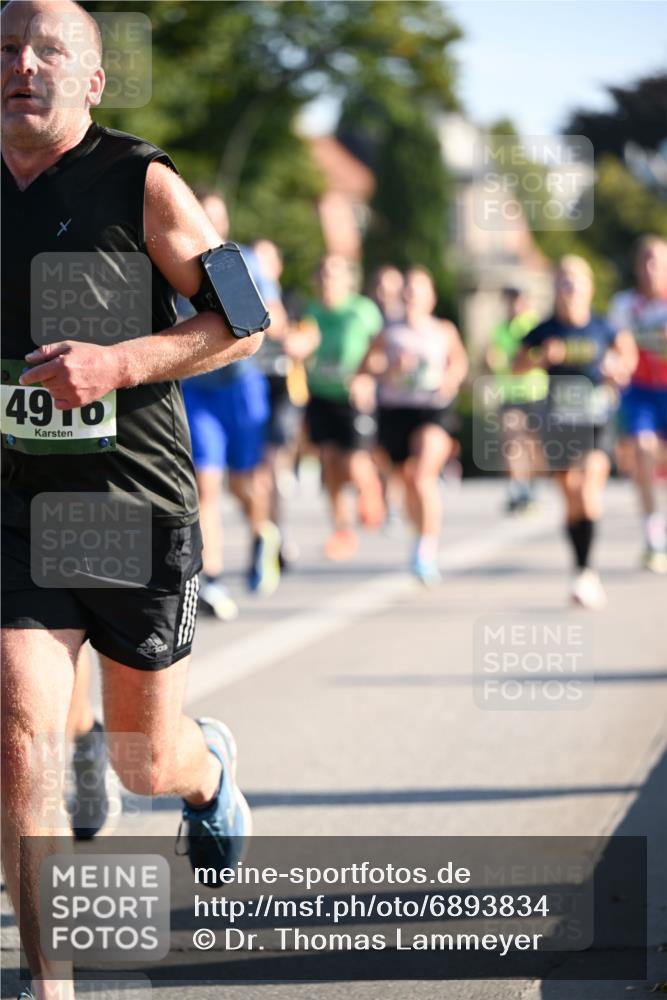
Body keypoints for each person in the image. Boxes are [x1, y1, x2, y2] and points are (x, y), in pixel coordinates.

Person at [1, 3, 255, 996]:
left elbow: (244, 318)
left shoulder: (139, 180)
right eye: (6, 51)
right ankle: (49, 979)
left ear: (93, 82)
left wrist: (118, 360)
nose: (22, 66)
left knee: (150, 760)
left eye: (48, 51)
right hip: (20, 508)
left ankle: (210, 773)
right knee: (21, 730)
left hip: (133, 507)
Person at [179, 194, 287, 611]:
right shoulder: (170, 260)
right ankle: (213, 579)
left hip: (242, 387)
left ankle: (263, 531)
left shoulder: (242, 260)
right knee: (206, 484)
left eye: (216, 218)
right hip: (199, 387)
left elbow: (270, 312)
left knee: (243, 484)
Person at [514, 256, 637, 609]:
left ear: (588, 287)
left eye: (575, 283)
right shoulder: (545, 329)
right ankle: (580, 565)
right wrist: (539, 359)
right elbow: (517, 366)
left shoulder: (602, 327)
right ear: (555, 289)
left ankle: (586, 573)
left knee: (587, 486)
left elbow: (626, 358)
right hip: (558, 420)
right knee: (570, 494)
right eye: (563, 283)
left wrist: (618, 370)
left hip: (595, 417)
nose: (569, 290)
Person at [354, 267, 468, 584]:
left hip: (433, 409)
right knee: (406, 481)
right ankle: (420, 534)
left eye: (419, 289)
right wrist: (384, 368)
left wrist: (450, 378)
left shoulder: (443, 330)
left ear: (431, 297)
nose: (412, 295)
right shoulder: (387, 333)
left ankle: (426, 550)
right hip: (396, 410)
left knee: (422, 476)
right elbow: (365, 368)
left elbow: (459, 362)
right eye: (408, 289)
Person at [303, 255, 385, 561]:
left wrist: (365, 375)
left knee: (354, 463)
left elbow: (380, 348)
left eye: (334, 275)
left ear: (348, 280)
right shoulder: (312, 312)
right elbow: (303, 343)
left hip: (352, 398)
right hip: (321, 395)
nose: (328, 281)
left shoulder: (362, 311)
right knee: (330, 464)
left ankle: (371, 489)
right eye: (323, 274)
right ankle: (342, 531)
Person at [608, 235, 667, 573]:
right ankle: (653, 532)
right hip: (641, 391)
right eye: (645, 260)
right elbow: (616, 348)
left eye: (657, 260)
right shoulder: (624, 305)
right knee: (643, 451)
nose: (650, 268)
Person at [486, 287, 547, 513]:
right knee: (512, 440)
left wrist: (519, 364)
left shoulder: (534, 325)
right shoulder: (500, 329)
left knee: (533, 445)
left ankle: (533, 485)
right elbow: (494, 356)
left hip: (535, 392)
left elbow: (539, 358)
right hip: (511, 393)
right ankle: (518, 487)